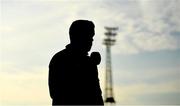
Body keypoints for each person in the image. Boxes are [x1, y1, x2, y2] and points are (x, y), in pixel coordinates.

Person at [48, 20, 104, 105]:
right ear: (78, 36)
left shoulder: (88, 62)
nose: (91, 40)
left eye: (92, 36)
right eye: (88, 36)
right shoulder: (60, 59)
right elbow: (57, 93)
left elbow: (97, 94)